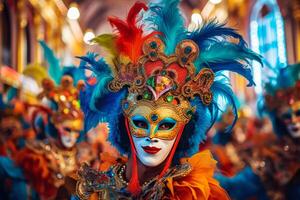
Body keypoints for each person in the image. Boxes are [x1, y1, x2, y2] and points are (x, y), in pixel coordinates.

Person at [74, 0, 262, 199]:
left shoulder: (198, 193)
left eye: (166, 125)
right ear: (124, 124)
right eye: (140, 122)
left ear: (184, 127)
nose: (151, 136)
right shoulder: (96, 190)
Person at [216, 63, 300, 200]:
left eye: (298, 113)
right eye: (286, 116)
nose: (294, 121)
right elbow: (237, 186)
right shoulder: (276, 157)